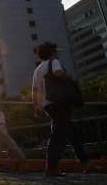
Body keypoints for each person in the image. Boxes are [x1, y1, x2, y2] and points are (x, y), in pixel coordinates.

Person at [32, 41, 101, 176]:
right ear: (52, 52)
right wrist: (68, 75)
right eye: (56, 51)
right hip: (59, 102)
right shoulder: (54, 62)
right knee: (59, 133)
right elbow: (59, 74)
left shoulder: (38, 69)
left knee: (72, 132)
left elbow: (34, 90)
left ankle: (86, 163)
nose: (57, 54)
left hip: (48, 104)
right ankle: (51, 166)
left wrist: (37, 107)